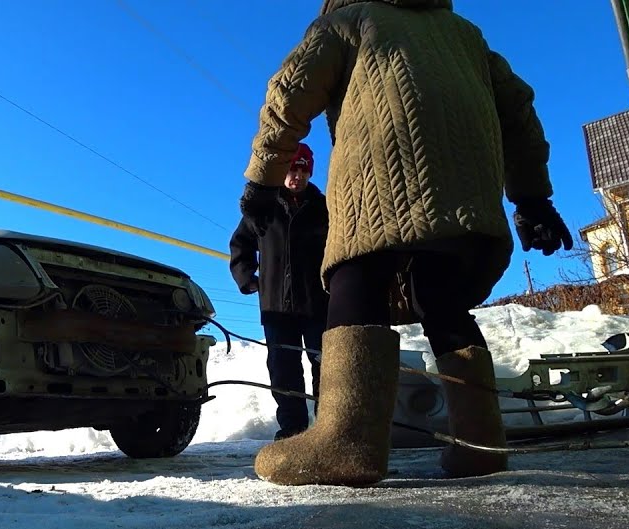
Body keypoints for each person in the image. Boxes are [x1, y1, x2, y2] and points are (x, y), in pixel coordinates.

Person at [238, 0, 574, 487]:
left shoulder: (346, 22)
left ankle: (346, 441)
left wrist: (262, 179)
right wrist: (532, 198)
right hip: (466, 190)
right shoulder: (465, 36)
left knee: (359, 269)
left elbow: (290, 91)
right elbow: (518, 112)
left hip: (380, 169)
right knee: (440, 295)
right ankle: (480, 441)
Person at [228, 143, 330, 441]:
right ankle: (292, 429)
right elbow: (240, 244)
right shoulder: (264, 208)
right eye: (291, 169)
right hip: (276, 305)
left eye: (303, 169)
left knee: (325, 364)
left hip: (317, 302)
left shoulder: (324, 208)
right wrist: (247, 277)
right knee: (283, 367)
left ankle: (327, 428)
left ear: (310, 172)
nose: (297, 175)